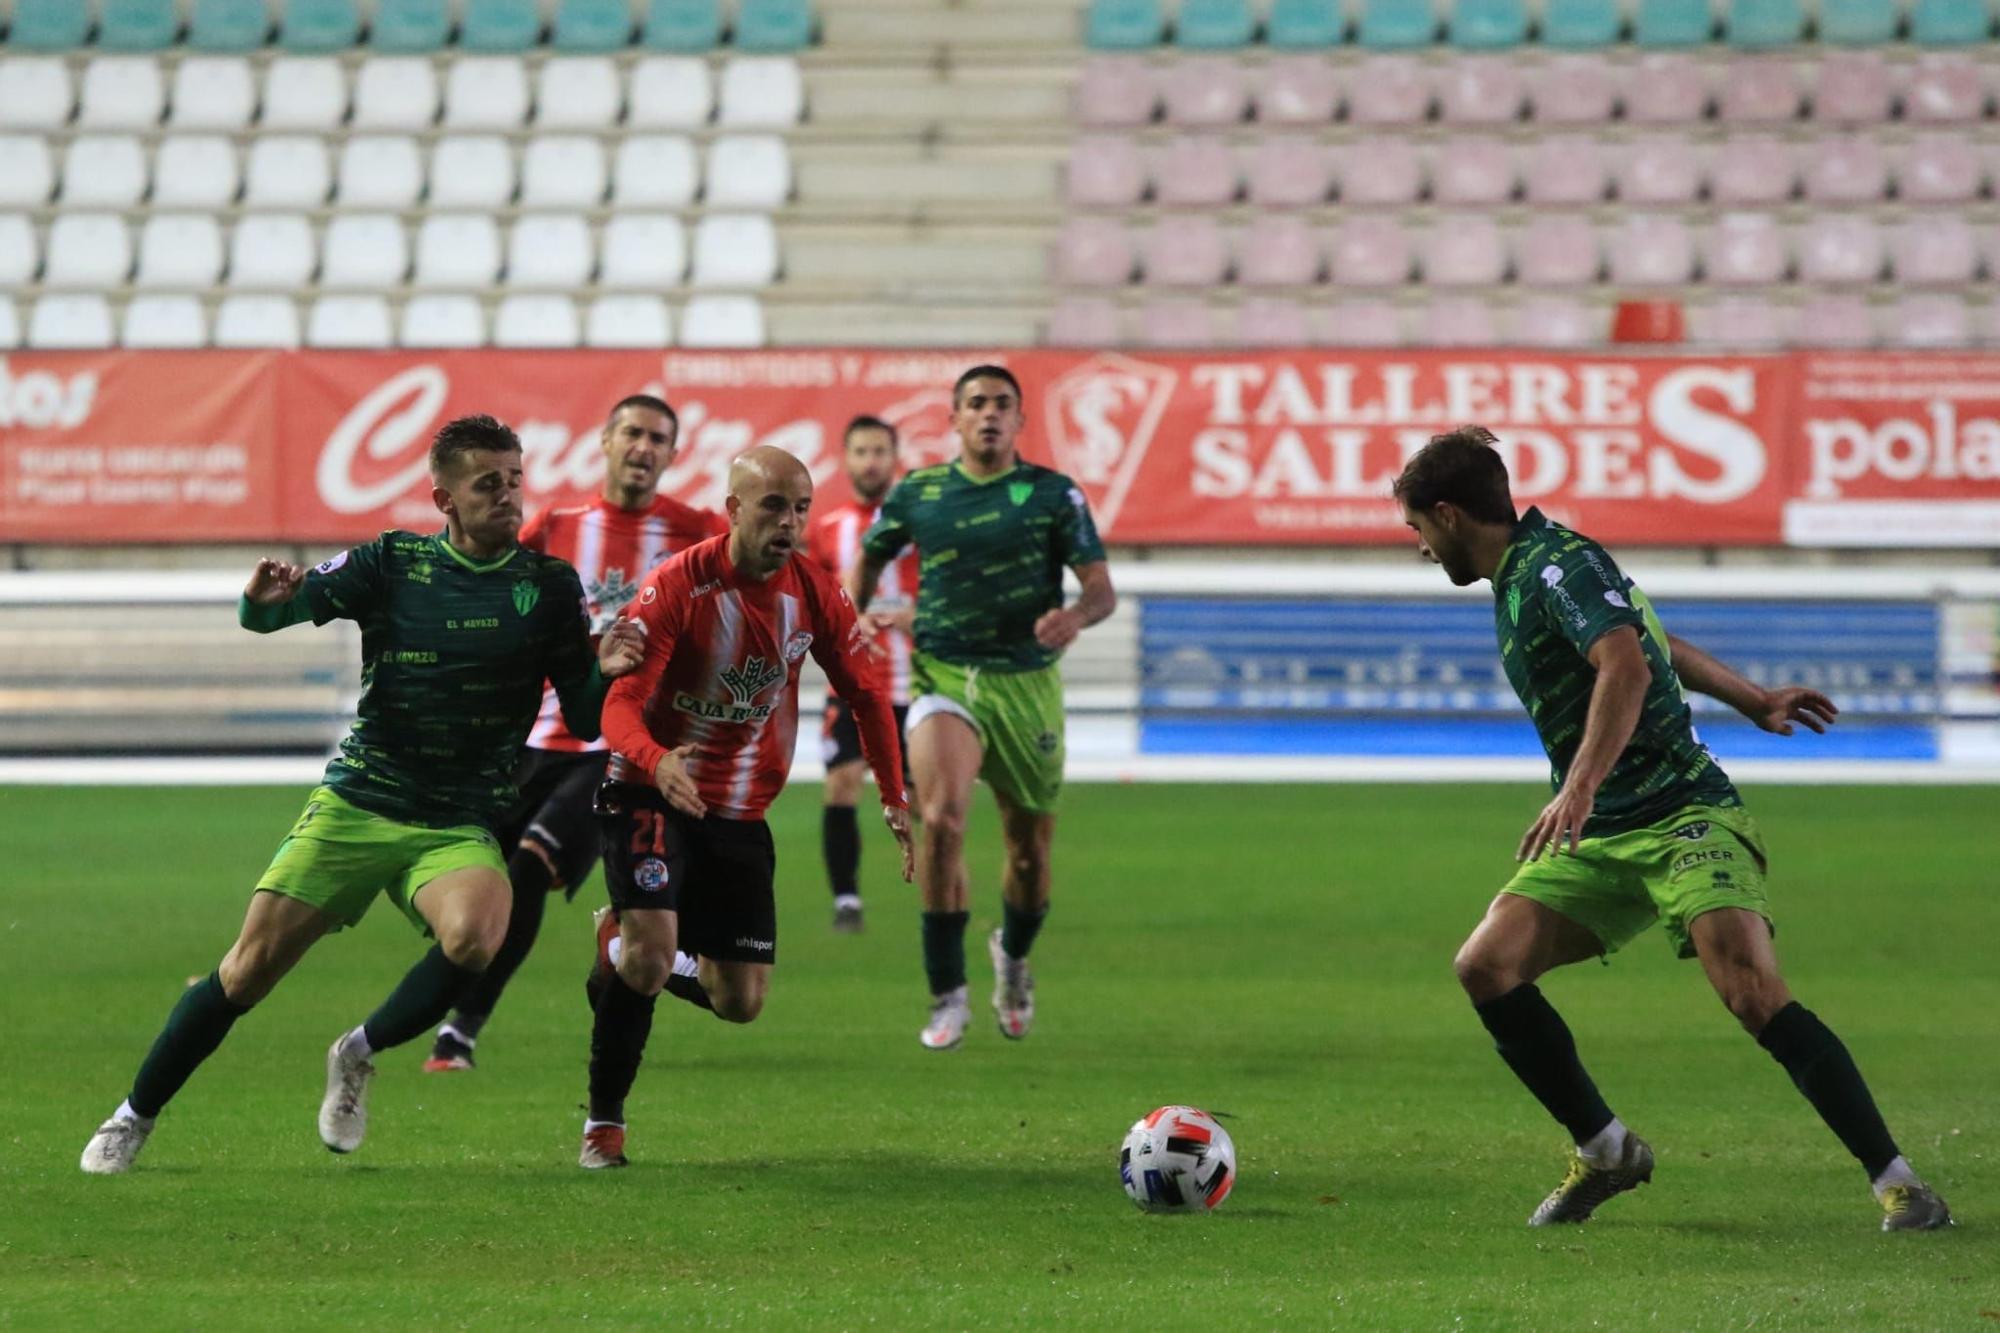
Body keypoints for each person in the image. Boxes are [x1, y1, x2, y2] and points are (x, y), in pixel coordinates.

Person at [1393, 425, 1951, 1232]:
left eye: (1416, 527)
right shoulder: (1533, 569)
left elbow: (1625, 662)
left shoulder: (1557, 565)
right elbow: (1650, 637)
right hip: (1603, 832)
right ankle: (1607, 1147)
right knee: (1487, 965)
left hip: (1683, 811)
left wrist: (1578, 785)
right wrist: (1752, 696)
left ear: (1447, 513)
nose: (1417, 547)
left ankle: (1899, 1181)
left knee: (1751, 990)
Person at [80, 415, 644, 1174]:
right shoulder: (392, 561)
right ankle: (132, 1115)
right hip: (359, 802)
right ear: (443, 496)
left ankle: (358, 1051)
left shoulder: (547, 586)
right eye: (488, 483)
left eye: (515, 479)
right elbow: (276, 612)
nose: (508, 497)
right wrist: (260, 602)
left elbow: (579, 718)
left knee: (480, 933)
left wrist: (602, 668)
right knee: (245, 970)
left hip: (457, 819)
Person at [579, 445, 913, 1169]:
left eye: (800, 508)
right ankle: (604, 1123)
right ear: (733, 509)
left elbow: (864, 692)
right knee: (650, 956)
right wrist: (658, 758)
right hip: (648, 789)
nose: (789, 522)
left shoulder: (817, 592)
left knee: (741, 1000)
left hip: (738, 810)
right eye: (772, 506)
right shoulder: (676, 585)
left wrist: (893, 793)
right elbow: (621, 706)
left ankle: (620, 941)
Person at [425, 394, 724, 1072]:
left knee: (529, 866)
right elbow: (496, 600)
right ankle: (619, 944)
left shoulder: (699, 533)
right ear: (605, 441)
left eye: (659, 438)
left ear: (674, 454)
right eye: (633, 433)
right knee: (476, 886)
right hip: (528, 743)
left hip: (616, 750)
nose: (644, 448)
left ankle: (460, 1030)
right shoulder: (556, 527)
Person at [852, 365, 1116, 1051]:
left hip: (1025, 682)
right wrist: (849, 619)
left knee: (1027, 855)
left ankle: (1014, 956)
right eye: (976, 404)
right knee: (940, 819)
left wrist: (1075, 615)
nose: (989, 414)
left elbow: (1101, 589)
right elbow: (869, 555)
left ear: (1020, 419)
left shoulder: (1054, 494)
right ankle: (947, 990)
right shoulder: (921, 492)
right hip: (944, 672)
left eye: (1002, 404)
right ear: (954, 418)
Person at [804, 415, 919, 933]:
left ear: (894, 458)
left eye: (879, 451)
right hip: (852, 685)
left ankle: (936, 889)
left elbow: (943, 589)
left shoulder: (921, 525)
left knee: (928, 801)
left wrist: (920, 614)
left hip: (917, 683)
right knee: (842, 784)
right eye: (861, 451)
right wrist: (847, 622)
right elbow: (816, 602)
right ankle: (846, 899)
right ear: (846, 459)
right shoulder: (828, 530)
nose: (871, 461)